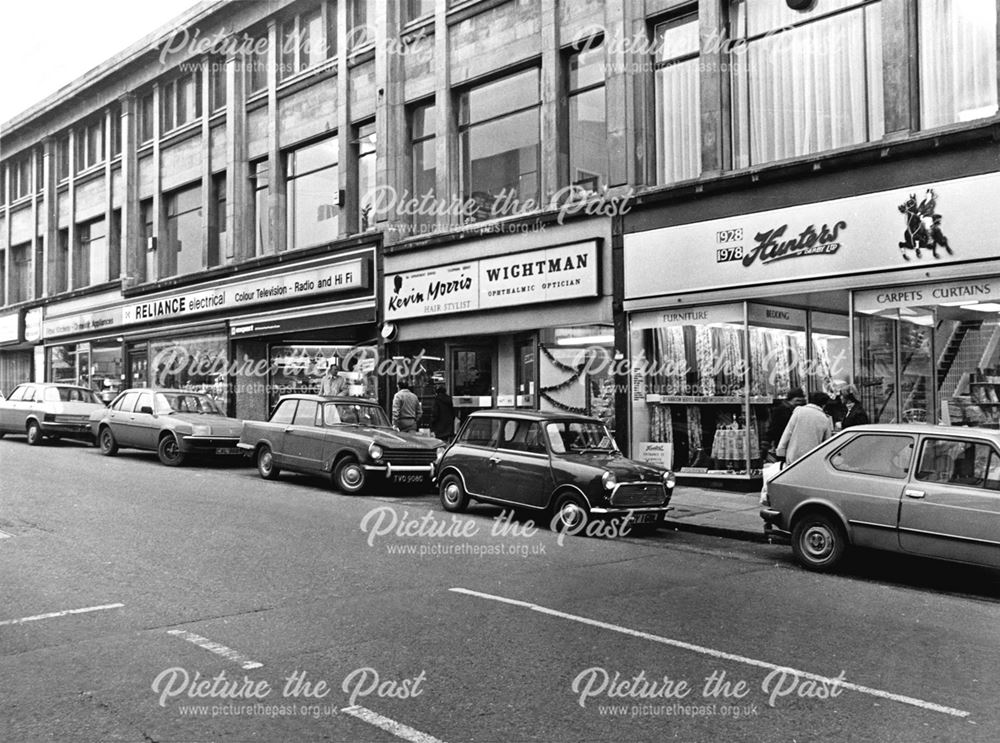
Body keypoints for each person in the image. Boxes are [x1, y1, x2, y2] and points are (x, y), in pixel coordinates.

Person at [776, 391, 833, 465]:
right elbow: (826, 442)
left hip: (793, 455)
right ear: (824, 404)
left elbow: (788, 432)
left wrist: (781, 451)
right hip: (812, 458)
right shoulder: (824, 418)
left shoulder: (799, 411)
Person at [764, 387, 805, 460]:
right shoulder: (781, 411)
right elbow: (773, 429)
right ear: (790, 400)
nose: (799, 403)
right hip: (783, 444)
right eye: (797, 400)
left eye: (801, 401)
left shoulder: (799, 411)